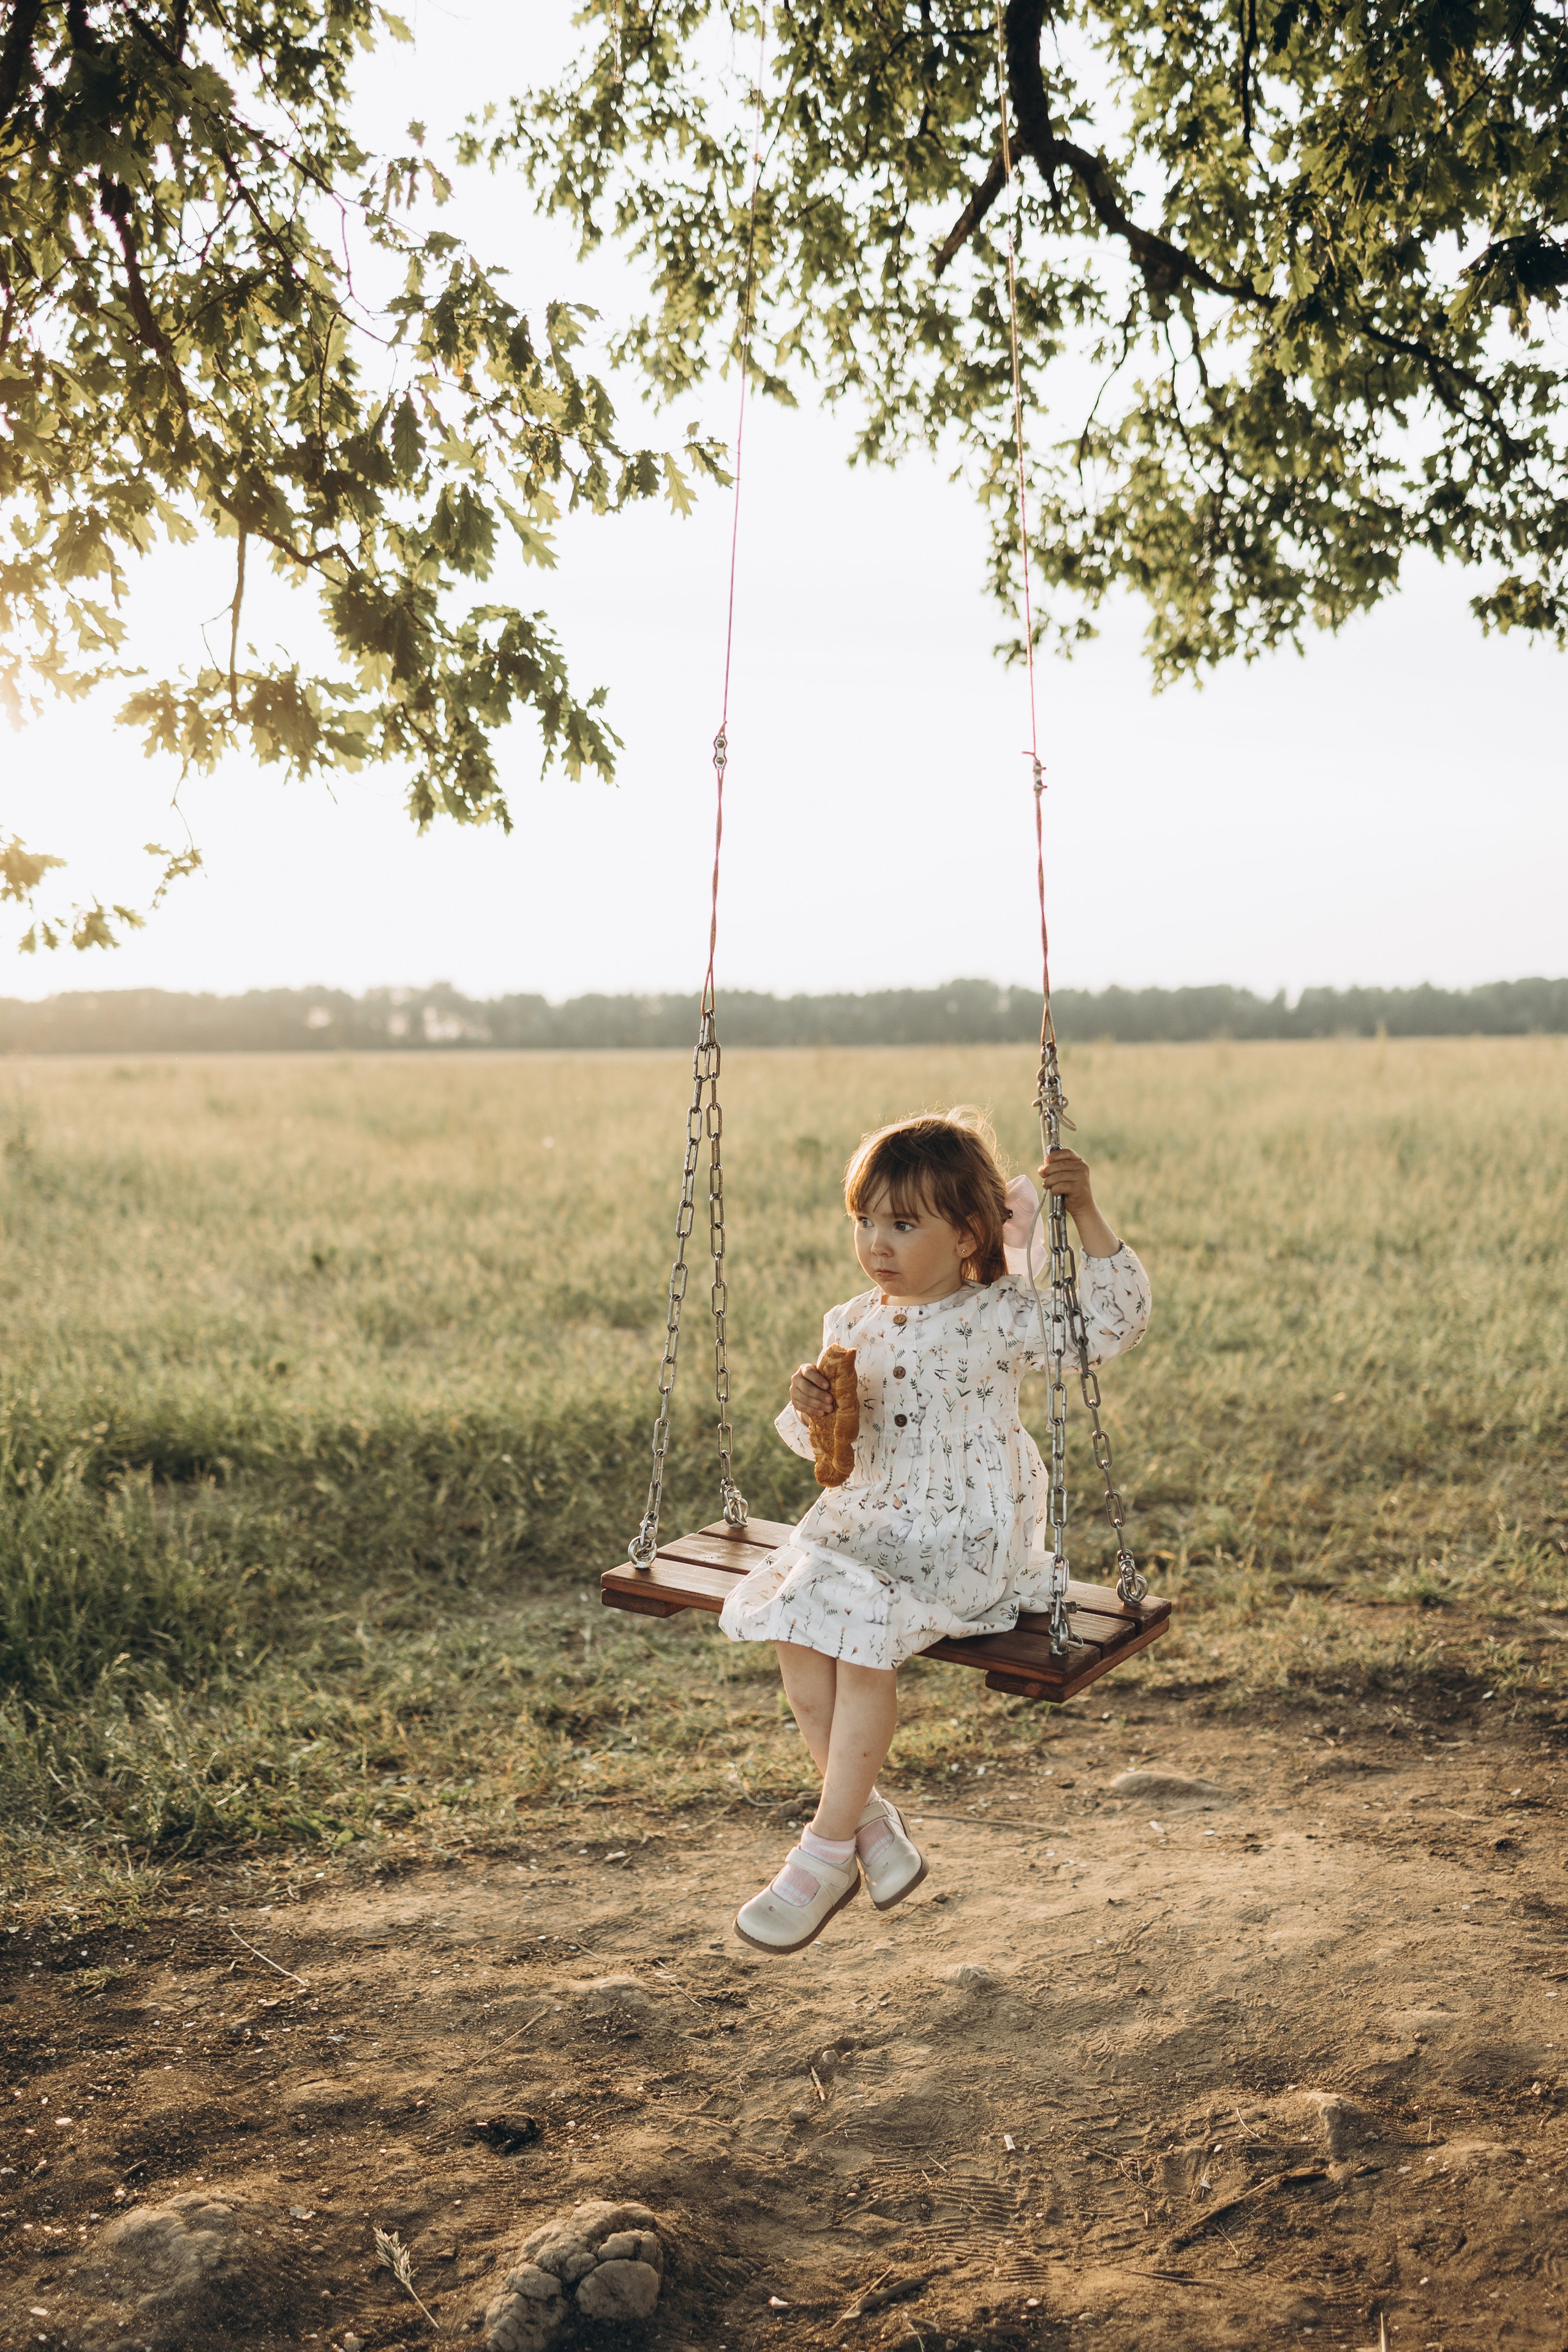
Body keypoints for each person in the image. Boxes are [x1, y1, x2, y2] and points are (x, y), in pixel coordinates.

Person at [719, 1107, 1152, 1954]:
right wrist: (811, 1405)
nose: (877, 1243)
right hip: (865, 1521)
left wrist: (1087, 1212)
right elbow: (832, 1451)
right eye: (865, 1220)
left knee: (858, 1640)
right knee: (795, 1631)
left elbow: (1113, 1324)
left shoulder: (999, 1315)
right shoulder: (852, 1322)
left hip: (962, 1535)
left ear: (968, 1236)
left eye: (904, 1224)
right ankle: (870, 1827)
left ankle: (824, 1853)